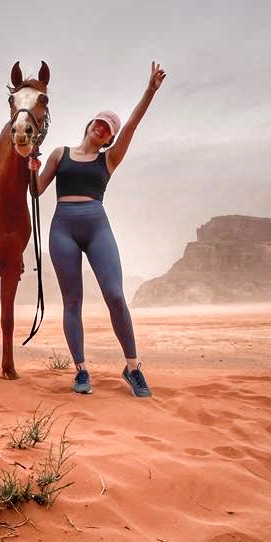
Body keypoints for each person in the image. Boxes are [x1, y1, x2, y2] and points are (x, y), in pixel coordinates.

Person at [29, 61, 166, 396]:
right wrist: (29, 167)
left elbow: (131, 126)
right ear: (89, 124)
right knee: (72, 301)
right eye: (100, 123)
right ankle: (80, 371)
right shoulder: (60, 154)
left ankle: (132, 367)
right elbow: (36, 190)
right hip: (62, 227)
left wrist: (149, 91)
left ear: (110, 138)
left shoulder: (109, 159)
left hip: (96, 225)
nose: (103, 129)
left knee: (115, 295)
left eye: (108, 129)